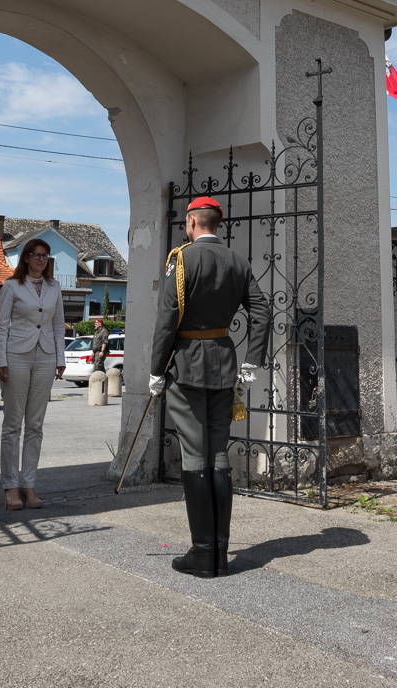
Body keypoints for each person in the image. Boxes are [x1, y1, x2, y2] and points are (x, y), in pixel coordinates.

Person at [149, 197, 269, 578]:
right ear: (218, 223)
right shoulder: (238, 261)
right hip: (224, 360)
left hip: (186, 365)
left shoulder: (181, 259)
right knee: (218, 455)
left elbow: (167, 319)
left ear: (191, 221)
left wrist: (155, 370)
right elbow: (262, 311)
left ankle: (203, 553)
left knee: (195, 456)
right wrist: (251, 360)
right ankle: (219, 553)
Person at [0, 238, 67, 510]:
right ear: (25, 257)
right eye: (36, 255)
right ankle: (10, 486)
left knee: (35, 425)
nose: (40, 259)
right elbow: (2, 326)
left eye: (45, 256)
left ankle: (29, 483)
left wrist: (60, 358)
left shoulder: (54, 287)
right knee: (13, 424)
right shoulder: (12, 285)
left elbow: (58, 326)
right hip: (16, 356)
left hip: (46, 355)